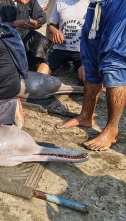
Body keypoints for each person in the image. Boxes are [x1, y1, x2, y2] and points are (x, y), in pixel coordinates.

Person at [56, 0, 126, 151]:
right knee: (90, 60)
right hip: (96, 5)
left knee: (114, 61)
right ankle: (86, 116)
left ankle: (112, 129)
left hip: (119, 5)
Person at [36, 0, 88, 82]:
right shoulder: (60, 2)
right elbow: (52, 24)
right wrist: (55, 31)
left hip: (81, 51)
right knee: (40, 76)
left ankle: (78, 68)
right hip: (60, 49)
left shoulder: (91, 3)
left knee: (85, 78)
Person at [0, 0, 51, 70]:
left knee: (42, 41)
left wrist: (40, 20)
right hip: (8, 38)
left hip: (25, 34)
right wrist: (16, 23)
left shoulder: (30, 1)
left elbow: (42, 15)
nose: (27, 1)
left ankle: (32, 69)